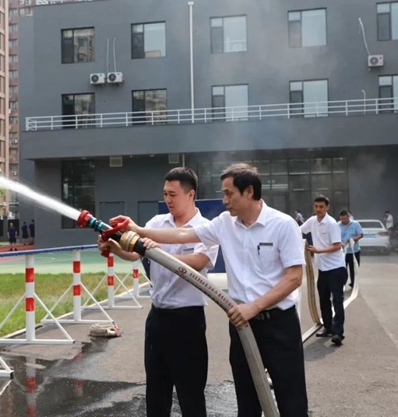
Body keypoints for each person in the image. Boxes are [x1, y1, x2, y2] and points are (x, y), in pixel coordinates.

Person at [110, 163, 308, 417]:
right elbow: (183, 235)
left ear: (249, 191)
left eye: (229, 194)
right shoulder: (224, 223)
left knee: (291, 400)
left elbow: (294, 278)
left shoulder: (283, 225)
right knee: (247, 402)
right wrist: (137, 230)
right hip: (242, 326)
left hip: (279, 325)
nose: (224, 200)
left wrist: (254, 307)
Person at [98, 167, 218, 417]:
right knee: (156, 393)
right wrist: (114, 248)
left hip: (188, 320)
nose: (168, 200)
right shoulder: (156, 223)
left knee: (191, 394)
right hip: (158, 318)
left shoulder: (205, 228)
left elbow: (198, 262)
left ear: (190, 194)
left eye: (173, 194)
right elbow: (134, 254)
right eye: (165, 194)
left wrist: (159, 252)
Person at [301, 195, 346, 346]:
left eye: (321, 207)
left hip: (336, 268)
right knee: (324, 300)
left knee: (337, 300)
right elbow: (298, 230)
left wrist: (318, 251)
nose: (318, 209)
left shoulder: (332, 223)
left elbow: (337, 245)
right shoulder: (312, 221)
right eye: (316, 207)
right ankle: (328, 327)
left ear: (327, 207)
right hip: (322, 269)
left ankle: (338, 333)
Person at [339, 210, 364, 288]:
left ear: (348, 217)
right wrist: (340, 243)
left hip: (354, 251)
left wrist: (353, 239)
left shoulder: (355, 224)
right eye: (342, 219)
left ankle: (354, 284)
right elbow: (334, 237)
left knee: (354, 269)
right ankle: (342, 284)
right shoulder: (337, 225)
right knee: (342, 269)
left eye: (345, 219)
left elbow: (360, 234)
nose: (343, 220)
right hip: (342, 252)